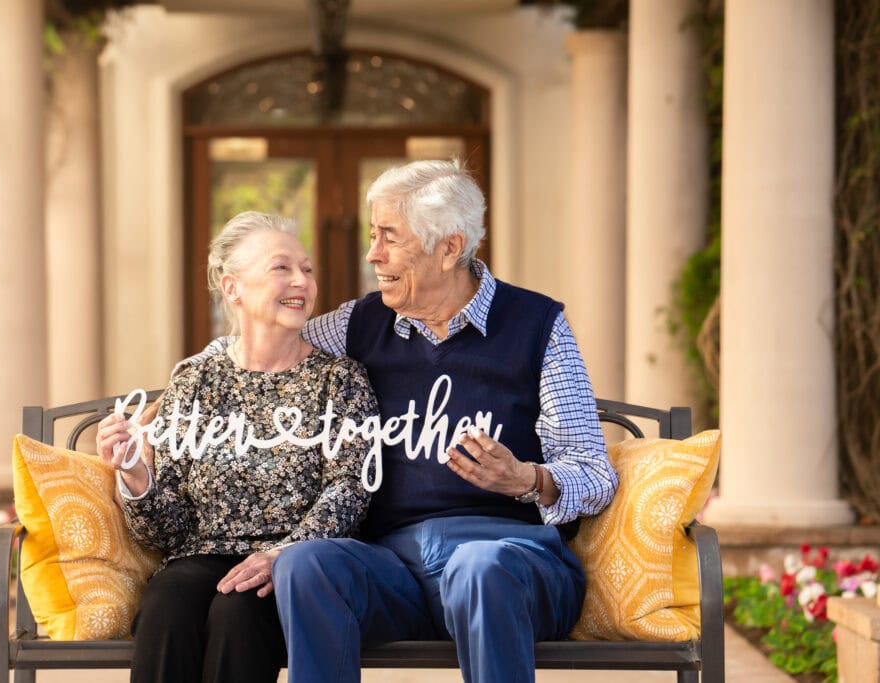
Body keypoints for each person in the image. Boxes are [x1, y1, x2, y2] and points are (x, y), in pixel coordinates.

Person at [200, 159, 619, 683]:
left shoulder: (537, 325)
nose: (372, 254)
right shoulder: (360, 323)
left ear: (449, 248)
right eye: (373, 235)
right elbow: (259, 349)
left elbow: (595, 472)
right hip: (394, 568)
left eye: (389, 237)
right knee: (305, 563)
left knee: (478, 567)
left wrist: (527, 479)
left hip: (513, 564)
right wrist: (167, 404)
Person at [95, 211, 377, 683]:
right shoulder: (196, 381)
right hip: (201, 556)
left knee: (239, 612)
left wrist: (283, 554)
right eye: (281, 267)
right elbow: (168, 534)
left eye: (307, 269)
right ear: (232, 288)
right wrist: (135, 475)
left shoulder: (340, 380)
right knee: (167, 601)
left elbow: (350, 490)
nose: (301, 281)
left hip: (297, 566)